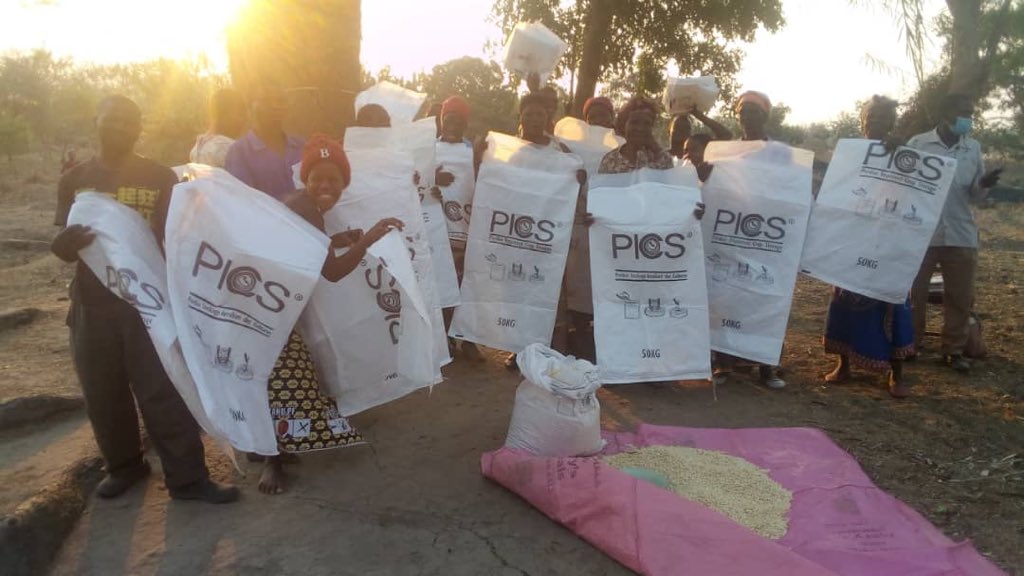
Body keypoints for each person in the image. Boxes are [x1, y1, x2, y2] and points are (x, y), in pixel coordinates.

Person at [51, 95, 238, 503]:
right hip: (90, 301)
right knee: (103, 392)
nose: (119, 128)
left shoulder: (159, 177)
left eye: (128, 122)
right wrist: (61, 246)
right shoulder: (75, 179)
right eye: (112, 119)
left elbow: (179, 238)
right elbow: (63, 241)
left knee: (162, 388)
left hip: (147, 304)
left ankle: (188, 479)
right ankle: (125, 467)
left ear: (139, 129)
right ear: (96, 120)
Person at [256, 134, 404, 494]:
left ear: (344, 185)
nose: (326, 185)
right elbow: (332, 272)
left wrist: (338, 240)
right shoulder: (305, 207)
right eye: (318, 178)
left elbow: (308, 247)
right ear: (304, 180)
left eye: (334, 180)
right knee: (285, 378)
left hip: (270, 299)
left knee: (278, 378)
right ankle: (270, 462)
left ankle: (271, 449)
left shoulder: (304, 206)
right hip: (268, 303)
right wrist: (366, 240)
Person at [823, 96, 914, 398]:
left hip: (887, 238)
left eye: (882, 116)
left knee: (890, 299)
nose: (875, 121)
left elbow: (917, 195)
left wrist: (900, 153)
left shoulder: (905, 154)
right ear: (862, 120)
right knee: (845, 297)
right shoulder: (849, 154)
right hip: (851, 236)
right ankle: (844, 362)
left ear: (892, 121)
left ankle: (896, 372)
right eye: (870, 115)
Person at [908, 93, 1002, 372]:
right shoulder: (919, 144)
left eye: (971, 114)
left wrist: (984, 184)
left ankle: (953, 350)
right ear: (945, 114)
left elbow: (975, 193)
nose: (968, 120)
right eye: (964, 113)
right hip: (922, 233)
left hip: (961, 233)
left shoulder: (972, 148)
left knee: (960, 297)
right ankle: (910, 344)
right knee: (915, 294)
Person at [710, 90, 786, 389]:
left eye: (754, 112)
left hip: (767, 235)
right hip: (731, 232)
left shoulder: (780, 152)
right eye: (743, 112)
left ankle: (767, 367)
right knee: (727, 297)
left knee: (764, 299)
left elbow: (789, 193)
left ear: (765, 116)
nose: (747, 117)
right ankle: (723, 364)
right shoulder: (727, 151)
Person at [435, 96, 484, 363]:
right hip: (438, 228)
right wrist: (434, 178)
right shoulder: (429, 149)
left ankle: (467, 340)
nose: (452, 124)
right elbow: (414, 177)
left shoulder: (472, 151)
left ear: (465, 123)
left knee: (468, 287)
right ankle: (445, 339)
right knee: (444, 284)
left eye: (457, 120)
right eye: (447, 119)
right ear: (441, 121)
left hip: (468, 228)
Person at [224, 83, 305, 202]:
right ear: (250, 106)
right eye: (266, 100)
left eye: (281, 100)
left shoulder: (301, 146)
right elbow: (243, 203)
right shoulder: (239, 153)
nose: (275, 106)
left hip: (308, 220)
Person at [599, 96, 675, 173]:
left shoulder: (662, 159)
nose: (640, 128)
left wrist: (656, 149)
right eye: (634, 123)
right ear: (623, 125)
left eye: (647, 123)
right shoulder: (610, 161)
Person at [190, 87, 247, 168]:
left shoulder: (198, 146)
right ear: (225, 114)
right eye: (240, 113)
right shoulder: (229, 148)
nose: (244, 119)